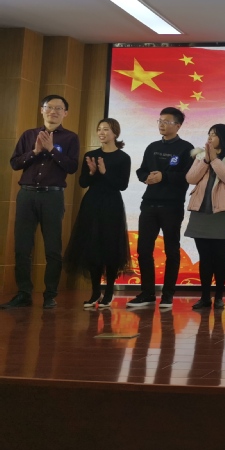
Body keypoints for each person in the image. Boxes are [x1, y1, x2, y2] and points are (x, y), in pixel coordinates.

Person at [2, 95, 79, 310]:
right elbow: (15, 163)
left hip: (52, 196)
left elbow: (72, 167)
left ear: (65, 113)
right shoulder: (29, 135)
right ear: (42, 110)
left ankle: (50, 295)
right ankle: (24, 293)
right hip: (26, 195)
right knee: (22, 247)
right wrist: (35, 152)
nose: (53, 111)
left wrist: (52, 149)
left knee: (53, 248)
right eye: (49, 107)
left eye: (58, 108)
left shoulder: (70, 138)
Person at [127, 107, 194, 309]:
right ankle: (147, 293)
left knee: (171, 250)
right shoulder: (153, 146)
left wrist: (164, 176)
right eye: (160, 121)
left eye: (167, 121)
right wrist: (145, 177)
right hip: (149, 204)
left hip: (172, 205)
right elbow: (141, 170)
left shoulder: (186, 148)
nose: (162, 125)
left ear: (178, 126)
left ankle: (168, 295)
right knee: (144, 250)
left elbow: (188, 176)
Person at [64, 118, 132, 308]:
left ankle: (109, 292)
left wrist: (104, 172)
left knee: (110, 247)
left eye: (106, 129)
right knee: (92, 247)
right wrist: (92, 172)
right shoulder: (91, 155)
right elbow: (82, 183)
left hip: (111, 205)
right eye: (99, 129)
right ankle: (95, 292)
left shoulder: (123, 157)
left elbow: (122, 185)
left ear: (115, 133)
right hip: (92, 203)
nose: (102, 132)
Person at [184, 124, 225, 310]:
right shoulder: (201, 156)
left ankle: (219, 296)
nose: (210, 137)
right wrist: (205, 160)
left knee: (219, 255)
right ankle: (204, 297)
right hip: (200, 211)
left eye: (214, 135)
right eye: (209, 134)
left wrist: (215, 160)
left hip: (222, 212)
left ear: (224, 138)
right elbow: (191, 178)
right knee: (204, 256)